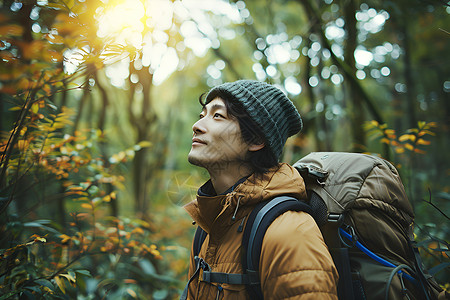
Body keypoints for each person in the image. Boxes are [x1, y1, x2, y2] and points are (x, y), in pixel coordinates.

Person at [182, 80, 339, 299]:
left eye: (217, 116)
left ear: (255, 140)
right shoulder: (210, 227)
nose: (197, 126)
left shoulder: (289, 231)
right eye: (202, 115)